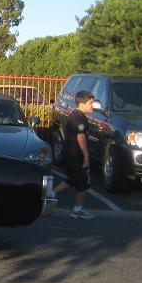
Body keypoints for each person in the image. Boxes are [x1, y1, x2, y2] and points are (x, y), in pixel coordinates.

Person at [54, 90, 97, 219]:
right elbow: (81, 137)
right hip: (75, 155)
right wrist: (86, 156)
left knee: (72, 179)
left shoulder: (76, 115)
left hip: (71, 154)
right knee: (83, 183)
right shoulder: (78, 117)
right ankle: (77, 210)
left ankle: (49, 195)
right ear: (81, 104)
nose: (92, 105)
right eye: (90, 103)